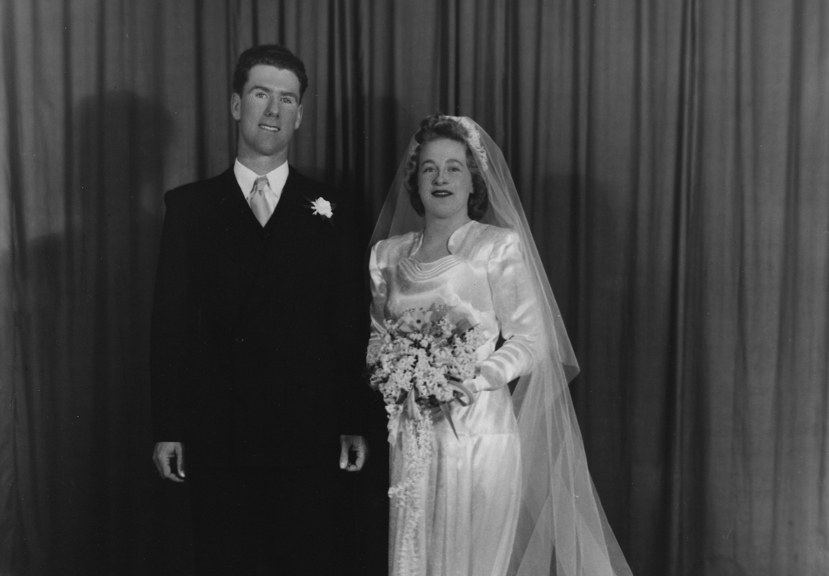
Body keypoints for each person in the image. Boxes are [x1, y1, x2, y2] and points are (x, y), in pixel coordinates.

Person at [367, 114, 633, 575]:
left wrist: (476, 375)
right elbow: (377, 336)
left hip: (480, 434)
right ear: (415, 180)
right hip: (411, 434)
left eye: (454, 167)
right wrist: (394, 371)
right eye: (429, 168)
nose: (441, 178)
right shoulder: (387, 256)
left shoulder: (497, 247)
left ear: (474, 180)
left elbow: (532, 339)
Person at [150, 44, 369, 574]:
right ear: (235, 104)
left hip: (308, 434)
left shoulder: (335, 209)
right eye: (260, 94)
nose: (273, 111)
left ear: (301, 114)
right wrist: (167, 427)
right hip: (220, 434)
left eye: (286, 99)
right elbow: (169, 325)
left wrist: (351, 420)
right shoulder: (189, 208)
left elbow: (348, 324)